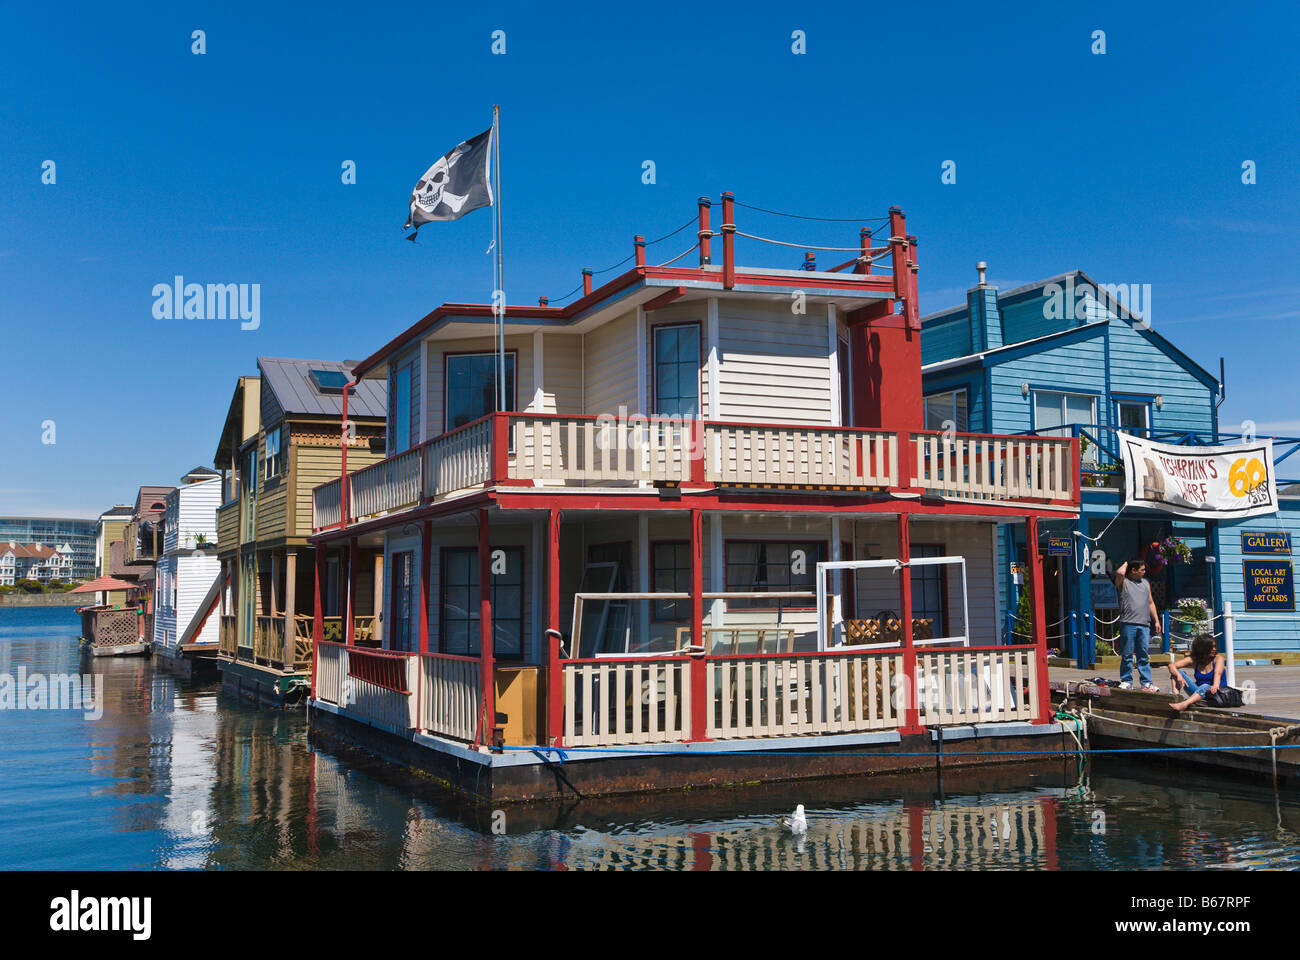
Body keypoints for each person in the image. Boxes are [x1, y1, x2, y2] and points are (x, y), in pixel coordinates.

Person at [1112, 558, 1161, 692]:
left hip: (1144, 624)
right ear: (1133, 570)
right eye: (1142, 570)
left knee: (1143, 655)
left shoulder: (1145, 583)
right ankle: (1127, 681)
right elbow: (1120, 573)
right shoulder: (1124, 583)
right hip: (1128, 624)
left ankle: (1147, 683)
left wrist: (1156, 620)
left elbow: (1151, 603)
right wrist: (1127, 562)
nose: (1144, 572)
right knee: (1127, 655)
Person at [1167, 633, 1226, 711]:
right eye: (1211, 647)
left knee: (1205, 686)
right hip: (1198, 694)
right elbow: (1171, 666)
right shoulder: (1195, 659)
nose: (1214, 649)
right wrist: (1178, 675)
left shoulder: (1218, 658)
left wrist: (1215, 685)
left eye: (1215, 646)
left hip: (1215, 694)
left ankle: (1184, 704)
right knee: (1177, 671)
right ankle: (1176, 697)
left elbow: (1218, 673)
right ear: (1203, 648)